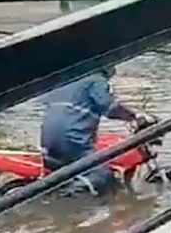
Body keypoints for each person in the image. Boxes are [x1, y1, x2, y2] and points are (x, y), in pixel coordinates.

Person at [40, 66, 139, 196]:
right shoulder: (96, 81)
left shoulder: (67, 81)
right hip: (72, 139)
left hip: (47, 138)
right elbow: (110, 107)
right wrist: (134, 116)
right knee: (104, 178)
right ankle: (70, 197)